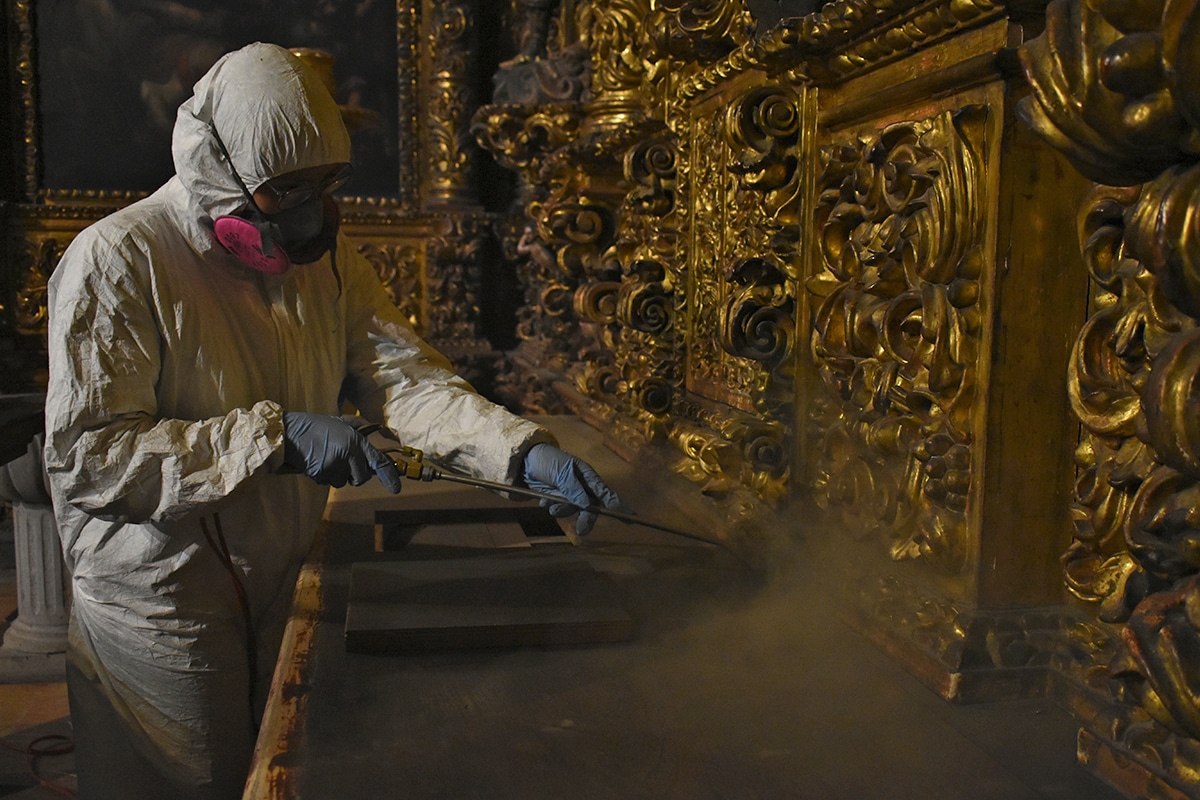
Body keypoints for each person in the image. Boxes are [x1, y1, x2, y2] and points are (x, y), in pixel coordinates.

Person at [43, 42, 619, 800]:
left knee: (277, 771)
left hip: (279, 570)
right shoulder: (120, 261)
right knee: (195, 784)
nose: (314, 213)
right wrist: (274, 438)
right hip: (162, 604)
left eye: (326, 183)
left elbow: (399, 375)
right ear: (218, 172)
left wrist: (516, 451)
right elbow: (89, 459)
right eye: (287, 192)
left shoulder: (328, 261)